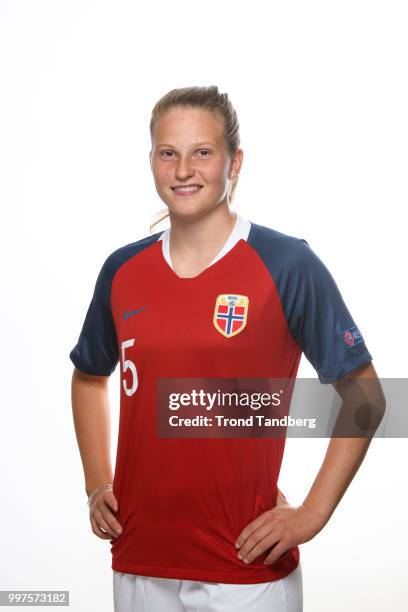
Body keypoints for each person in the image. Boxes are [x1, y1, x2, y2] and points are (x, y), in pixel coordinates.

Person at [70, 85, 383, 612]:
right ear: (151, 160)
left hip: (245, 569)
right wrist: (96, 480)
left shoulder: (285, 264)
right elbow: (87, 376)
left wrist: (313, 512)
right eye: (168, 153)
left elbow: (367, 398)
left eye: (203, 152)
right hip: (140, 558)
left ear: (234, 162)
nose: (184, 169)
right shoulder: (121, 270)